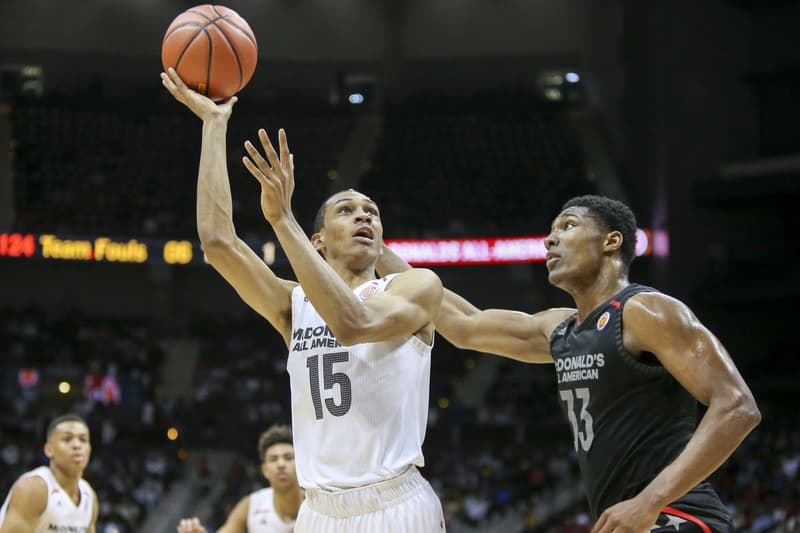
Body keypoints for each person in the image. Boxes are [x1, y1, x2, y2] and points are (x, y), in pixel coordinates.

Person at [161, 68, 446, 533]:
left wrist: (281, 220)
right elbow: (218, 243)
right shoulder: (293, 305)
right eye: (347, 210)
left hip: (395, 503)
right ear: (318, 240)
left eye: (371, 212)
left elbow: (353, 323)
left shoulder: (415, 288)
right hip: (319, 512)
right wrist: (213, 127)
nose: (364, 217)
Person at [378, 195, 761, 533]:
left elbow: (737, 406)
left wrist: (650, 501)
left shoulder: (645, 309)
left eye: (568, 225)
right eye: (551, 230)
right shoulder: (561, 329)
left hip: (677, 515)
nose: (550, 239)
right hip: (629, 518)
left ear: (612, 241)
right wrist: (376, 251)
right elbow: (463, 325)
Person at [177, 424, 302, 533]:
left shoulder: (317, 502)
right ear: (265, 470)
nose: (281, 464)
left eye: (288, 457)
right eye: (273, 459)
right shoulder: (251, 504)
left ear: (301, 464)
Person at [0, 414, 99, 533]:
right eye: (67, 439)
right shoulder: (34, 488)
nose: (77, 445)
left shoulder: (89, 496)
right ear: (49, 450)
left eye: (83, 440)